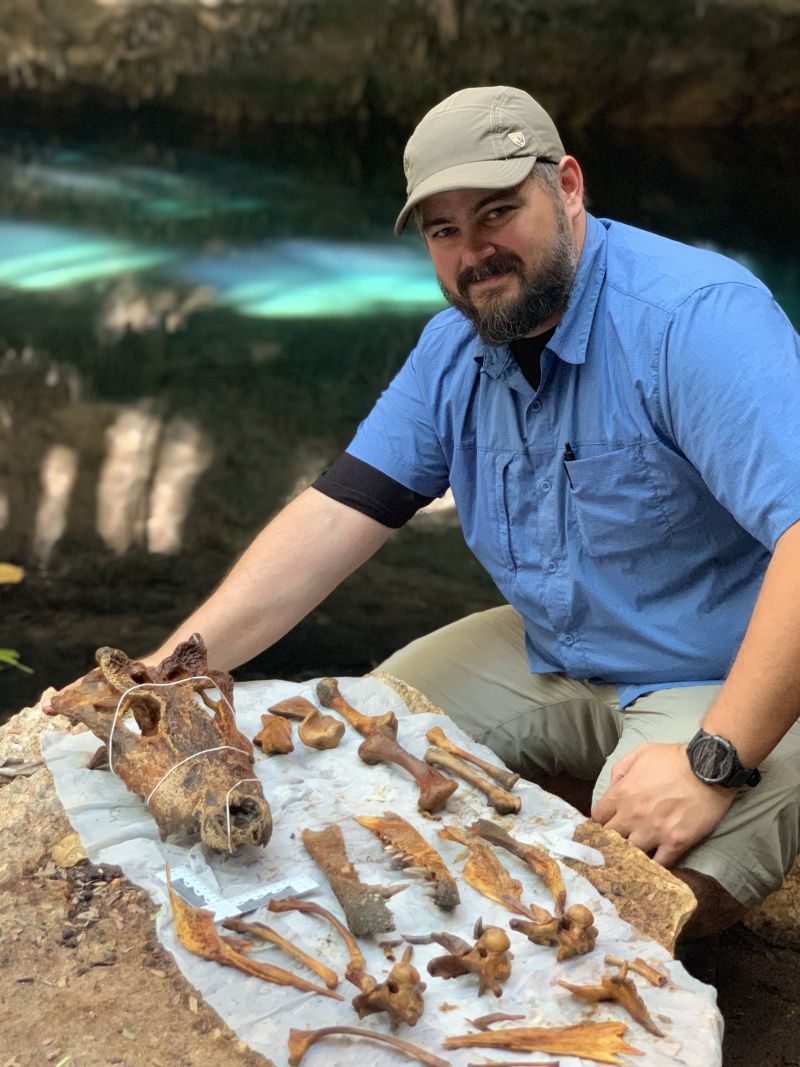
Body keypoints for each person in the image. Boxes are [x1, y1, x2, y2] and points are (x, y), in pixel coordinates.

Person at [121, 87, 800, 936]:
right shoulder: (455, 350)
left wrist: (713, 761)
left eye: (497, 213)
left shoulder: (694, 319)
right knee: (347, 751)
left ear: (569, 187)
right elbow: (334, 516)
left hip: (727, 668)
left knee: (623, 903)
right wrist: (162, 675)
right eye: (444, 230)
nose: (474, 252)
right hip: (558, 648)